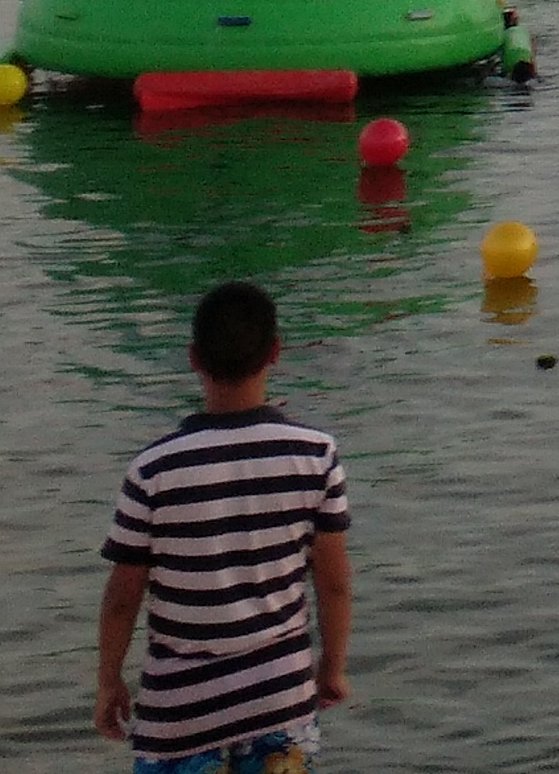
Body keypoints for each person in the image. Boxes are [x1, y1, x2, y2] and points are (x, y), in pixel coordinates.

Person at [97, 279, 353, 774]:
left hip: (180, 714)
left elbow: (122, 597)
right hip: (279, 699)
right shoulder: (315, 456)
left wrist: (109, 681)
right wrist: (333, 668)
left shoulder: (153, 471)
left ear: (193, 358)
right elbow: (335, 582)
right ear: (276, 352)